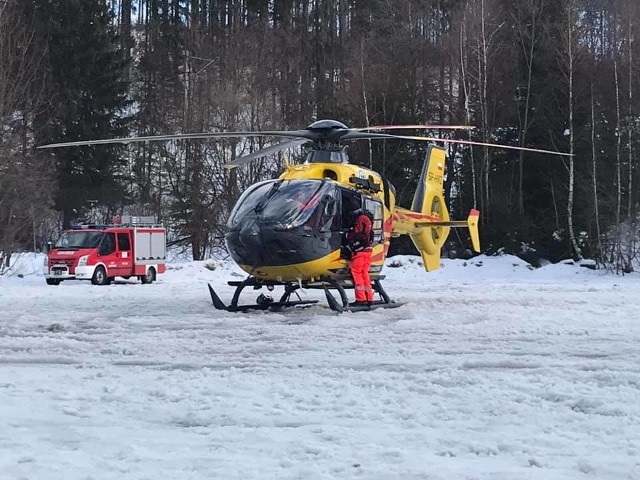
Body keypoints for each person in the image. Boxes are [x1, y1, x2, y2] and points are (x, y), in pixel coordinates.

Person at [345, 208, 374, 307]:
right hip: (368, 251)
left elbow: (357, 232)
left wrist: (348, 235)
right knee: (364, 274)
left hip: (360, 252)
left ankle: (361, 299)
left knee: (356, 272)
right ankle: (369, 298)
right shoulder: (368, 220)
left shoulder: (361, 218)